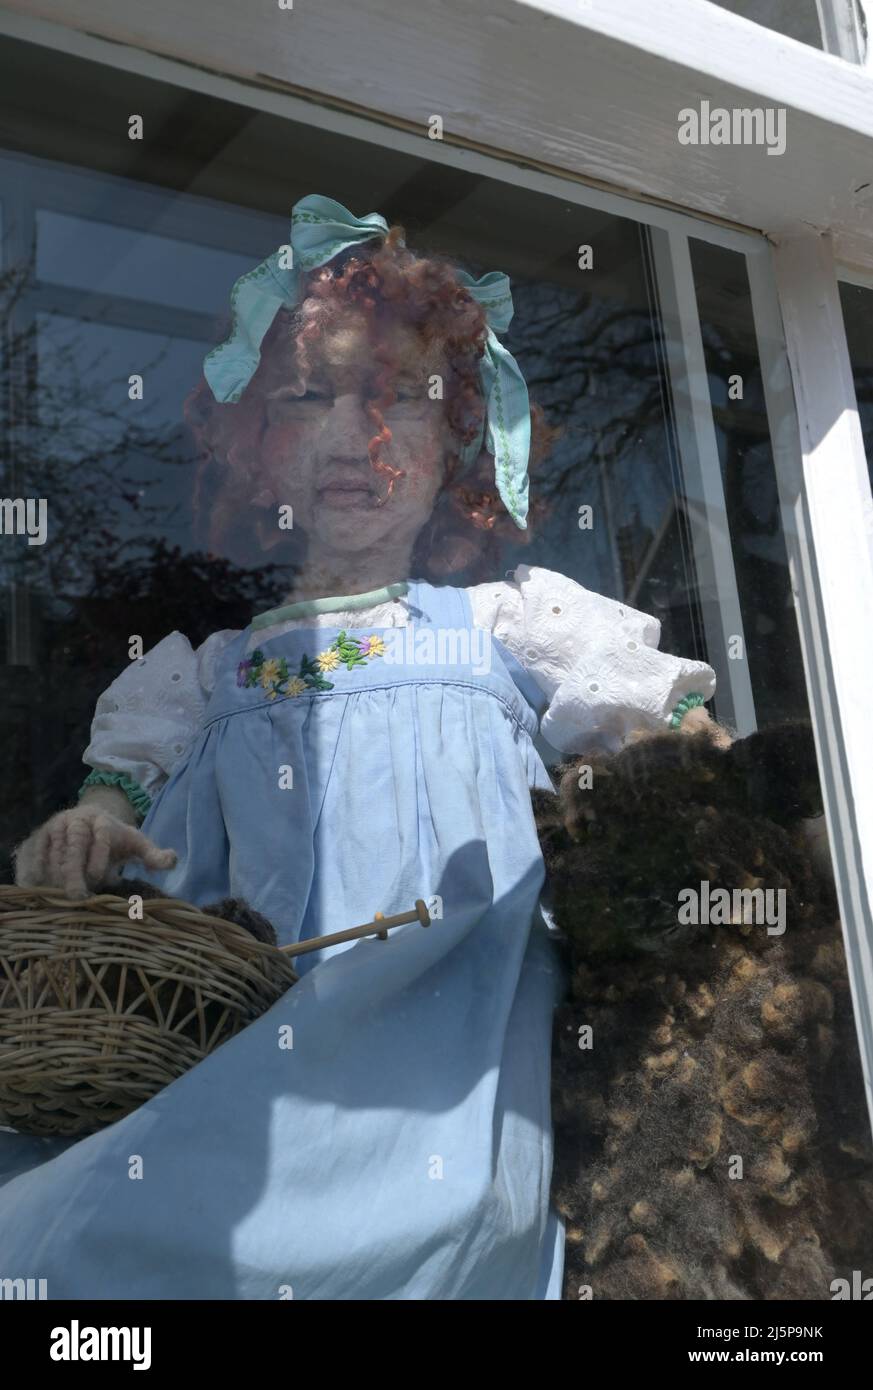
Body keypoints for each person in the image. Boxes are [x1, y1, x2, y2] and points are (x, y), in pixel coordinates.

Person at [3, 196, 722, 1299]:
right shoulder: (198, 674)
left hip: (449, 1059)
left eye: (403, 400)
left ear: (460, 444)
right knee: (105, 1222)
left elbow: (675, 751)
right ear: (254, 448)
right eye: (307, 397)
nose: (355, 434)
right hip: (230, 1056)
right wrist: (87, 832)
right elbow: (112, 809)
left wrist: (707, 774)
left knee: (444, 1218)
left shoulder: (508, 623)